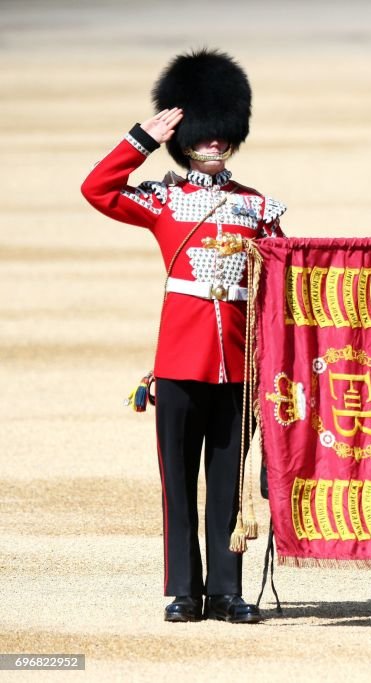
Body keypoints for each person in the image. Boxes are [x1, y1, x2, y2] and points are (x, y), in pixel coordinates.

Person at [81, 49, 285, 624]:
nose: (214, 143)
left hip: (238, 364)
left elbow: (282, 281)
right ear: (187, 136)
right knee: (179, 483)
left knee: (227, 481)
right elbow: (97, 189)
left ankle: (226, 589)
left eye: (222, 135)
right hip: (179, 360)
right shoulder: (165, 197)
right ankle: (184, 590)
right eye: (204, 134)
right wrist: (139, 140)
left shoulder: (256, 205)